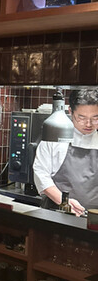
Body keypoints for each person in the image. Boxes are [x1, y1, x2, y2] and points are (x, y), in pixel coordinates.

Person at [33, 88, 98, 216]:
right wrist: (64, 202)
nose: (89, 124)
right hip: (57, 213)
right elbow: (41, 174)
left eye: (95, 118)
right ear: (70, 111)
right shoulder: (54, 137)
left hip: (93, 218)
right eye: (81, 117)